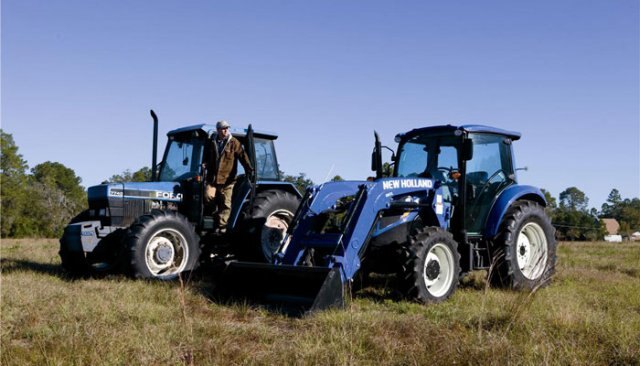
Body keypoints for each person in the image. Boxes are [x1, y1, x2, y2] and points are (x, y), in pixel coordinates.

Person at [205, 120, 253, 233]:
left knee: (226, 204)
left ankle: (222, 228)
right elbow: (207, 156)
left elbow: (242, 155)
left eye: (227, 128)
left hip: (228, 180)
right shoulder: (212, 142)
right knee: (208, 197)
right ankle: (211, 221)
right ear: (218, 130)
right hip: (213, 179)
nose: (225, 130)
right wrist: (205, 164)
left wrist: (249, 169)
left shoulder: (234, 142)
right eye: (223, 128)